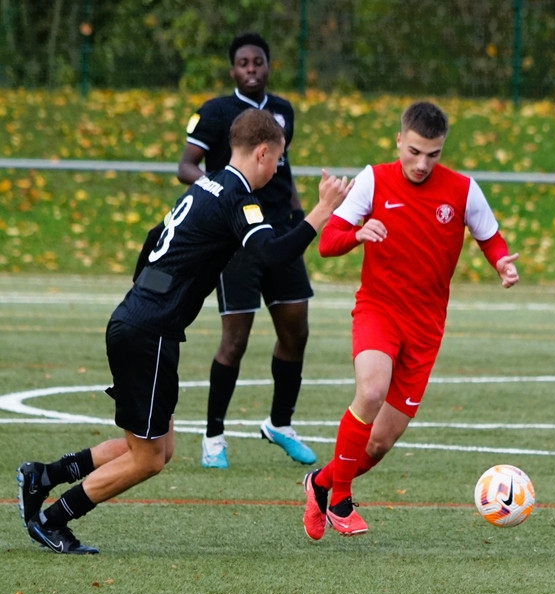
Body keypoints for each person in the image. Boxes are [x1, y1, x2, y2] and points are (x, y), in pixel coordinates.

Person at [16, 109, 352, 554]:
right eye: (278, 159)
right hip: (148, 332)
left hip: (140, 322)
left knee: (158, 447)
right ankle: (54, 519)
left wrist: (146, 298)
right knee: (148, 459)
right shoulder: (237, 196)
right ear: (263, 153)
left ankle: (43, 476)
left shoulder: (207, 184)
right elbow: (271, 255)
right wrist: (323, 209)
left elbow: (153, 238)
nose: (277, 169)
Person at [301, 101, 520, 540]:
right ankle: (340, 499)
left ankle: (320, 483)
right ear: (399, 140)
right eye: (414, 151)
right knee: (371, 390)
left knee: (379, 442)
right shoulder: (373, 180)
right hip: (379, 309)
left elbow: (490, 238)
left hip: (426, 328)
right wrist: (357, 234)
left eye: (433, 154)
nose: (422, 164)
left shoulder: (463, 190)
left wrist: (500, 263)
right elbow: (327, 243)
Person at [178, 32, 316, 469]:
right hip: (237, 239)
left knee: (296, 331)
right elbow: (185, 165)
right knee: (234, 340)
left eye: (259, 62)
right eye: (244, 63)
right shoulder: (215, 111)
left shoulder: (283, 111)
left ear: (269, 66)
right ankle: (213, 436)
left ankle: (280, 424)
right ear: (232, 69)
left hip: (280, 235)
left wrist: (297, 214)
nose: (252, 69)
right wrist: (218, 193)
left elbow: (283, 169)